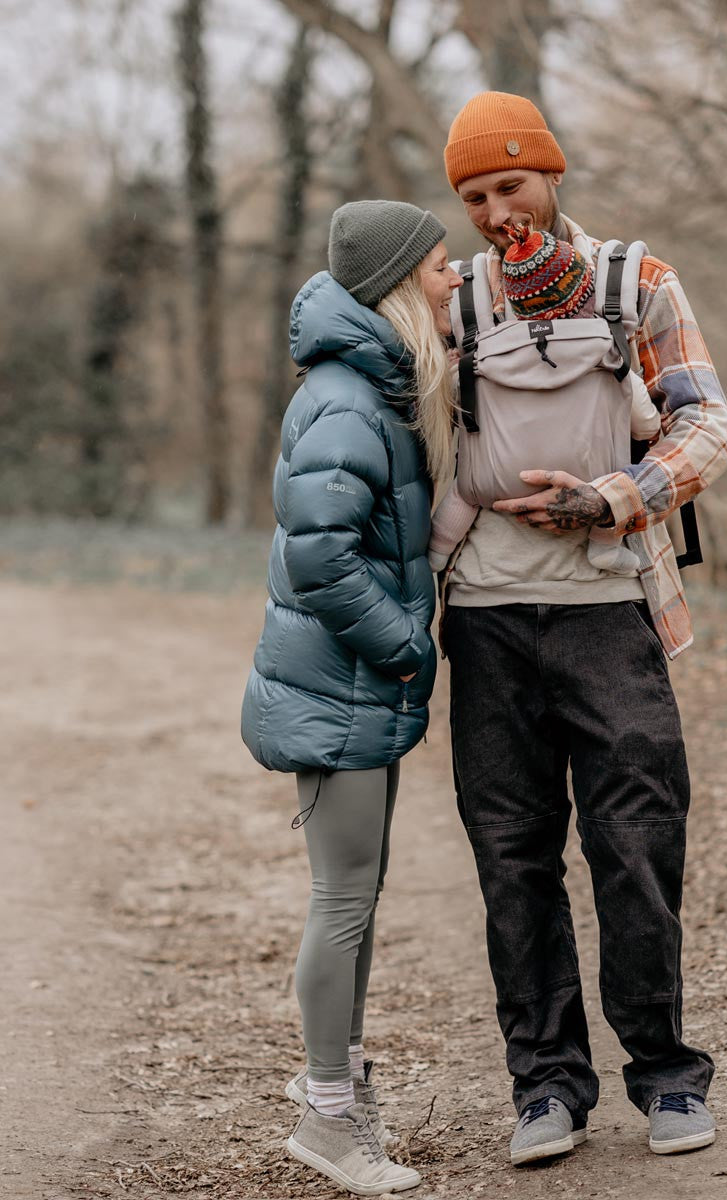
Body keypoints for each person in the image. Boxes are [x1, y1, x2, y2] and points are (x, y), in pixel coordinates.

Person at [432, 91, 727, 1166]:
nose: (492, 209)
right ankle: (546, 1089)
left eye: (509, 183)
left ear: (551, 176)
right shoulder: (452, 300)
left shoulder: (637, 281)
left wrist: (612, 497)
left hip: (611, 611)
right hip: (484, 619)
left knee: (637, 842)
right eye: (471, 194)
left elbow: (709, 424)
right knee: (512, 856)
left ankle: (665, 1078)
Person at [240, 199, 460, 1196]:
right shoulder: (346, 395)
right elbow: (321, 556)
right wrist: (407, 645)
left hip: (356, 686)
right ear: (396, 283)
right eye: (440, 265)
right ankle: (326, 1116)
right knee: (341, 904)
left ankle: (341, 1090)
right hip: (342, 686)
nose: (453, 278)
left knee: (357, 901)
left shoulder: (378, 382)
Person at [427, 221, 661, 574]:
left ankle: (438, 553)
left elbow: (454, 406)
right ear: (585, 297)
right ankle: (604, 547)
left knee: (464, 492)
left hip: (496, 486)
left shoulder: (484, 354)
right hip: (587, 484)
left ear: (517, 305)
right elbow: (646, 427)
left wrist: (448, 373)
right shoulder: (612, 358)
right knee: (611, 486)